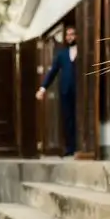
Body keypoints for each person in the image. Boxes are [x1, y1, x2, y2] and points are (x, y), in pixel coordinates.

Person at [36, 25, 78, 158]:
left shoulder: (83, 51)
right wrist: (42, 88)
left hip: (81, 91)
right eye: (68, 35)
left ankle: (82, 147)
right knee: (68, 119)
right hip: (65, 90)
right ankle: (70, 148)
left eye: (72, 34)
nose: (70, 37)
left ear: (77, 36)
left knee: (80, 118)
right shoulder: (61, 54)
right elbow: (52, 72)